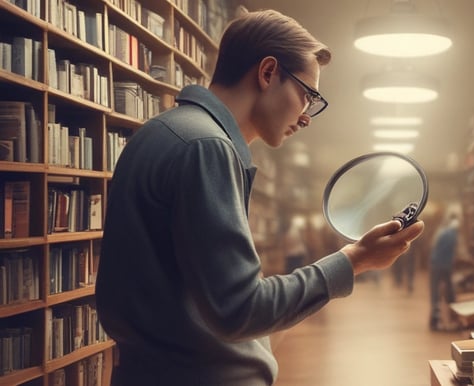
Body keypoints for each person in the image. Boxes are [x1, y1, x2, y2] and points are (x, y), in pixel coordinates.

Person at [94, 9, 424, 386]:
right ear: (268, 73)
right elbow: (238, 309)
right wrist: (352, 262)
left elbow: (198, 307)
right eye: (308, 95)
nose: (306, 117)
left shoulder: (165, 132)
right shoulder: (206, 147)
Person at [428, 212, 460, 331]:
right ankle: (453, 320)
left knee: (435, 293)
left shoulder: (441, 231)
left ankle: (435, 321)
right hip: (444, 265)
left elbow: (433, 246)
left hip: (435, 264)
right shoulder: (452, 234)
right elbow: (455, 251)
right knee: (449, 294)